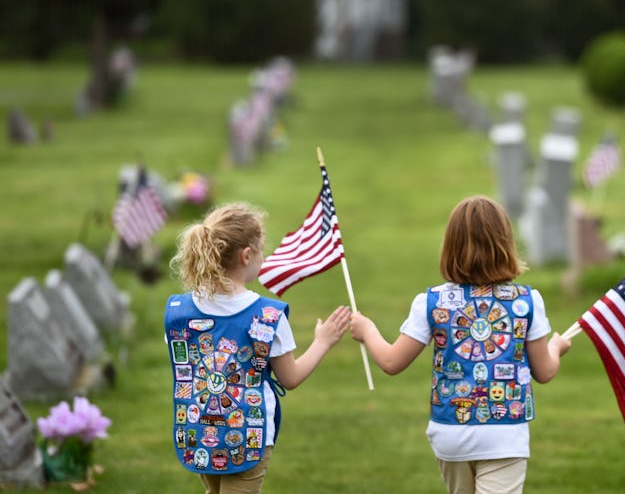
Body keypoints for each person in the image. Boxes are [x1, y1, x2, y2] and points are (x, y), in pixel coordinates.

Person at [350, 195, 571, 494]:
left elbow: (391, 362)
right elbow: (544, 371)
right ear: (505, 243)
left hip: (450, 433)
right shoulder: (527, 300)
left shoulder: (431, 301)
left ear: (451, 247)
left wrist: (367, 330)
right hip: (504, 436)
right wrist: (556, 348)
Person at [165, 202, 350, 494]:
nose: (263, 256)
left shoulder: (180, 312)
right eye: (261, 249)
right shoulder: (266, 315)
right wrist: (322, 341)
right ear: (247, 255)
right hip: (247, 436)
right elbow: (290, 377)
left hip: (199, 433)